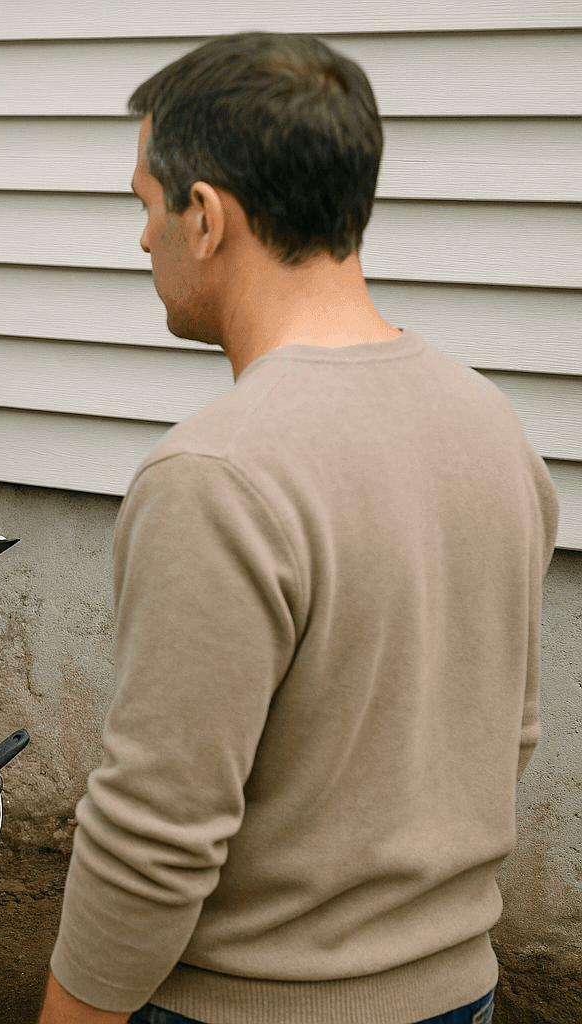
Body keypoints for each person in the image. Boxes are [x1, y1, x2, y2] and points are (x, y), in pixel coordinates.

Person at [38, 33, 557, 1024]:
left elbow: (155, 835)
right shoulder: (490, 422)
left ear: (205, 216)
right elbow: (508, 736)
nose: (141, 238)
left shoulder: (216, 474)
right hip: (460, 989)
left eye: (145, 204)